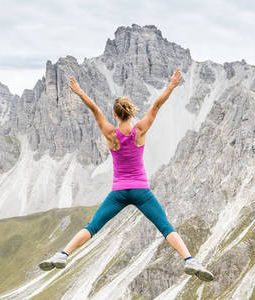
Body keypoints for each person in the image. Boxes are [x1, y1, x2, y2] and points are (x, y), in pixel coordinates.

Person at [38, 68, 214, 282]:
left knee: (93, 226)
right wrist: (171, 85)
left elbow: (94, 109)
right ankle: (189, 259)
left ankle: (63, 254)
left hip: (119, 191)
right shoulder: (139, 130)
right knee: (165, 226)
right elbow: (157, 105)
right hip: (141, 190)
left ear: (114, 114)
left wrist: (79, 92)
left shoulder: (110, 133)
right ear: (131, 113)